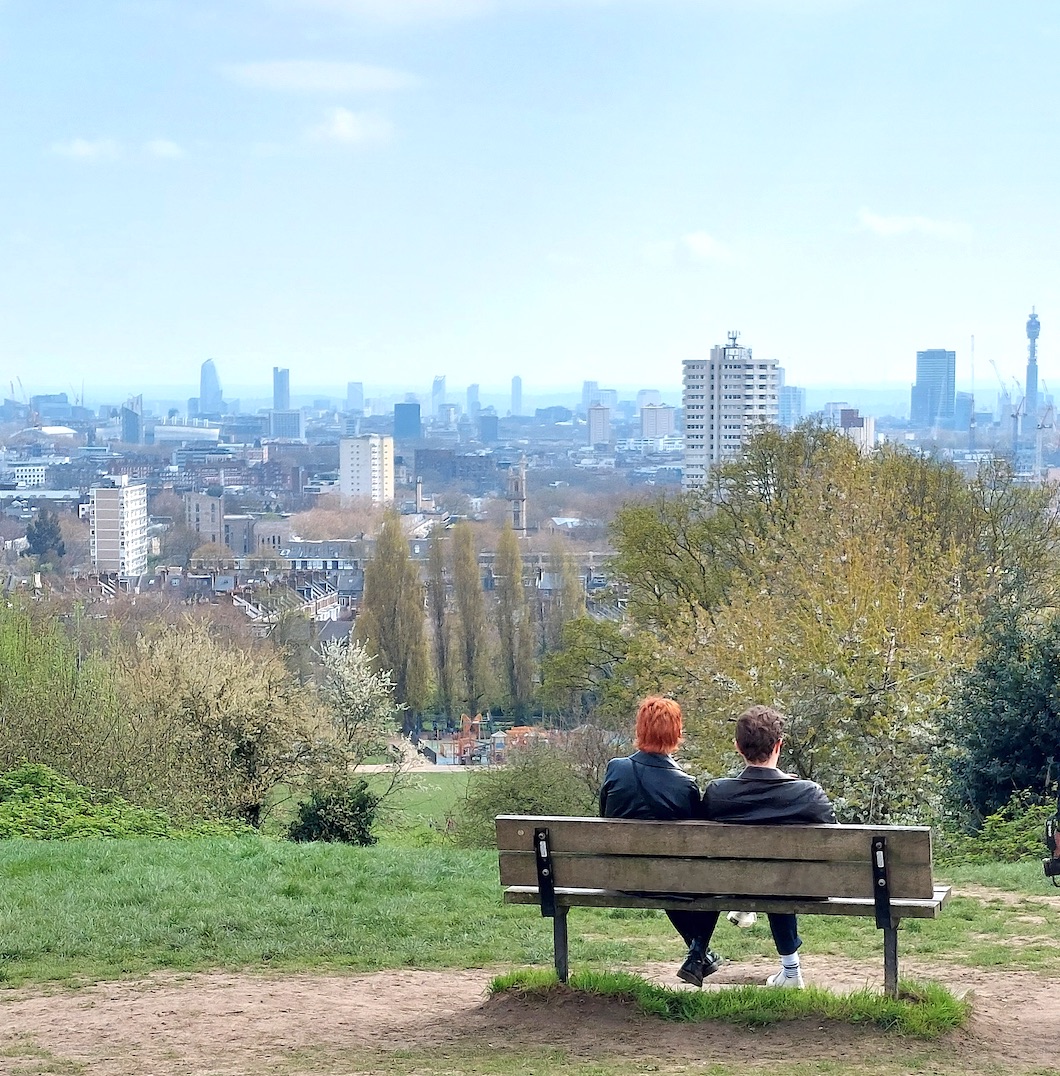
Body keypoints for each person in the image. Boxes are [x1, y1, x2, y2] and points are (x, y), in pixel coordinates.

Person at [701, 704, 836, 988]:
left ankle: (748, 909)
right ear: (779, 745)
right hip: (799, 885)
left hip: (733, 883)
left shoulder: (717, 794)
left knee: (767, 872)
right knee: (780, 874)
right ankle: (790, 971)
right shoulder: (807, 794)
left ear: (738, 747)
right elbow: (835, 842)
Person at [599, 696, 724, 987]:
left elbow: (604, 817)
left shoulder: (616, 769)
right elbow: (697, 848)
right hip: (667, 879)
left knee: (664, 871)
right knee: (712, 878)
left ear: (640, 729)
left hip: (621, 876)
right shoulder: (685, 784)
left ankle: (698, 957)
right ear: (677, 734)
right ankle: (697, 955)